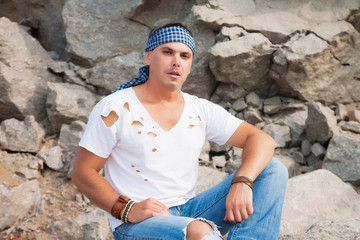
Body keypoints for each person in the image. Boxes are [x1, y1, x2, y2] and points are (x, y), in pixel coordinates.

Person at [72, 22, 288, 240]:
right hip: (137, 224)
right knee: (200, 232)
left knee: (271, 170)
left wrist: (243, 181)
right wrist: (126, 209)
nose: (176, 61)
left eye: (185, 56)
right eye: (167, 52)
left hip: (190, 210)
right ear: (148, 57)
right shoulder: (117, 107)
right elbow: (83, 172)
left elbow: (260, 139)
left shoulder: (199, 109)